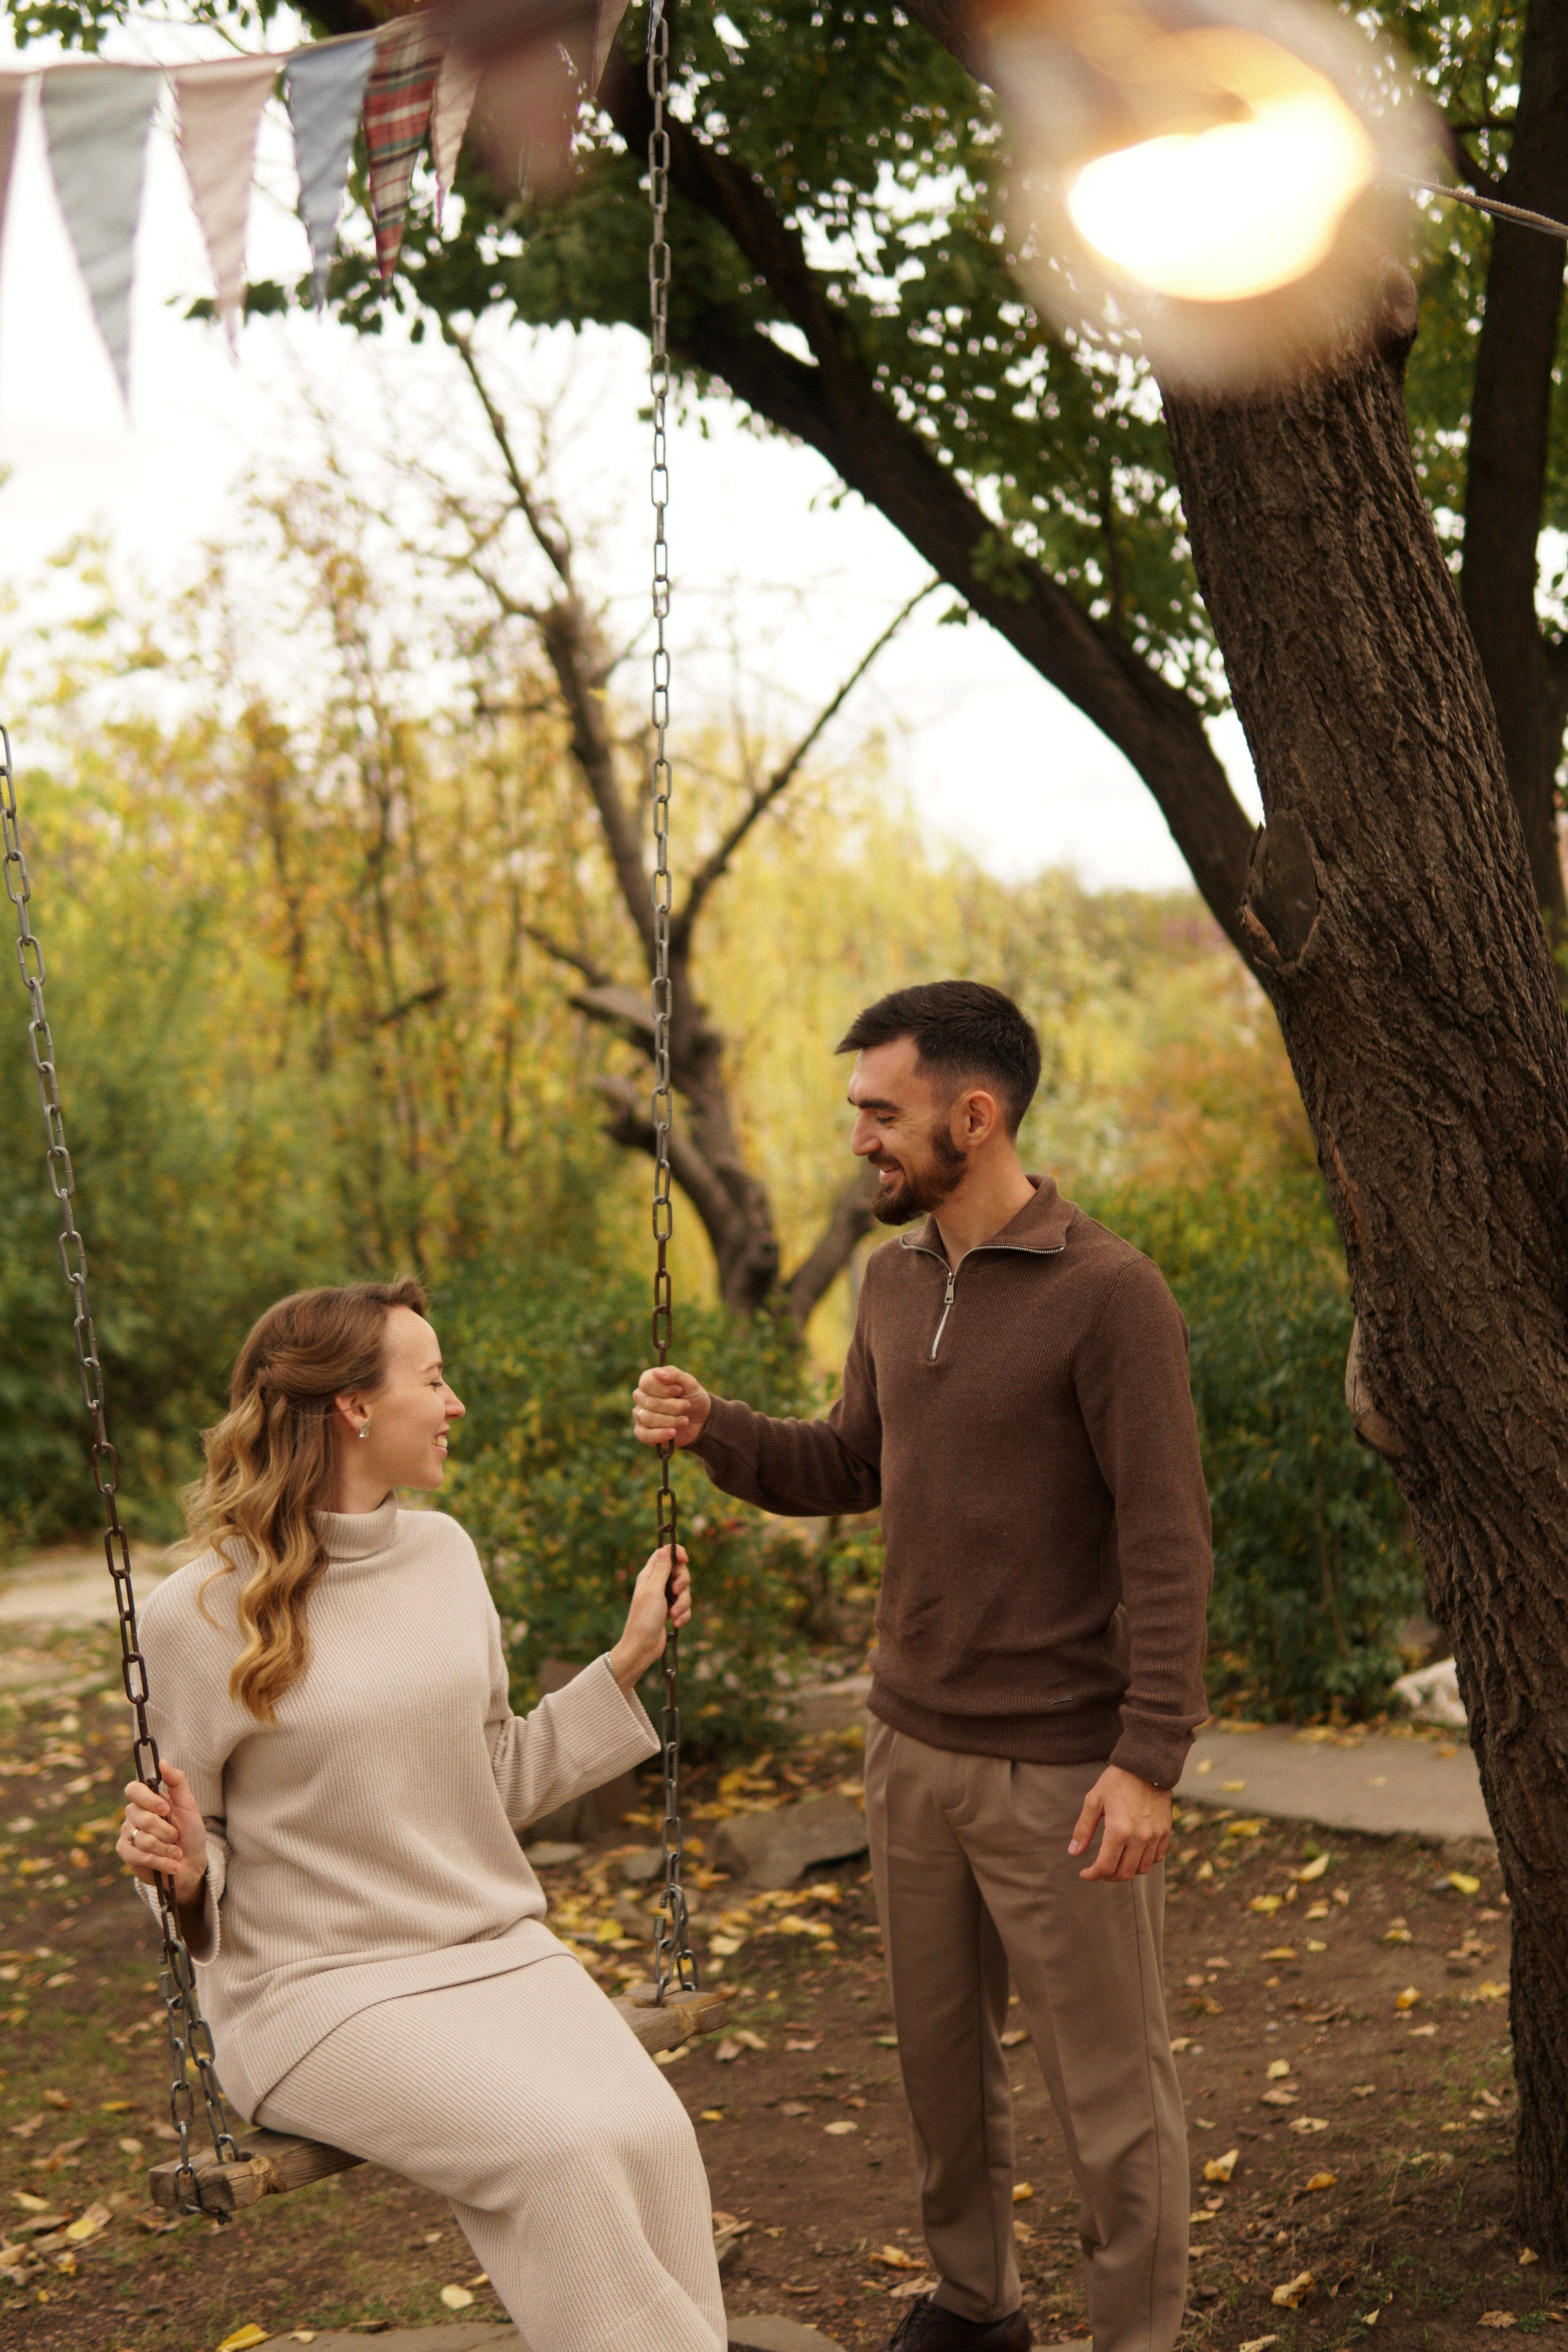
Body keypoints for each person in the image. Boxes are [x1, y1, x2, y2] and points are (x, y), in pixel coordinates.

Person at [634, 981, 1212, 2352]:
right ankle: (973, 2304)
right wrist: (714, 1426)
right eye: (855, 1115)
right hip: (907, 1749)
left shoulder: (1109, 1295)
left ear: (975, 1114)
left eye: (879, 1114)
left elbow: (1169, 1541)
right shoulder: (895, 1282)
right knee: (939, 2072)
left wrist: (1147, 1760)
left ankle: (1135, 2337)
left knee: (1109, 2097)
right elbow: (849, 1462)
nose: (858, 1143)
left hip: (1063, 1775)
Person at [118, 1277, 725, 2352]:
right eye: (433, 1379)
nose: (454, 1405)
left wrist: (627, 1663)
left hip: (488, 1948)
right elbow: (194, 1842)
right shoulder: (197, 1611)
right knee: (560, 2154)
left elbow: (490, 1778)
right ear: (354, 1405)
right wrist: (174, 1866)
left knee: (654, 2131)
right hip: (311, 1989)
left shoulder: (445, 1554)